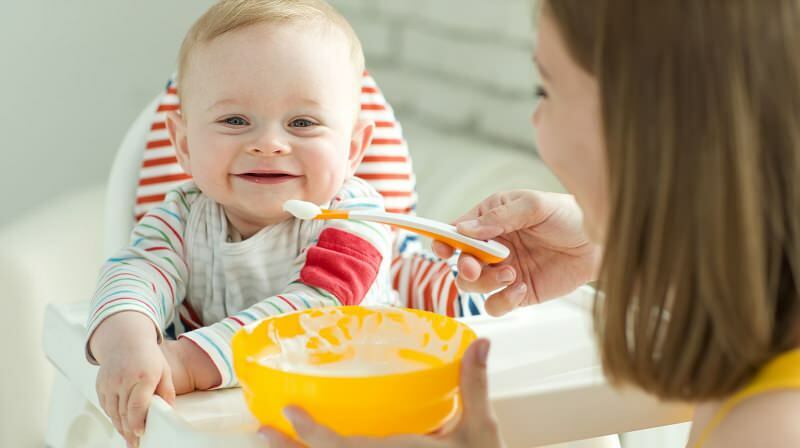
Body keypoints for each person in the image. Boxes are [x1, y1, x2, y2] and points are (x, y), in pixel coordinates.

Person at [260, 0, 800, 447]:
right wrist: (611, 242)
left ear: (643, 128)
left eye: (545, 90)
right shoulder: (757, 344)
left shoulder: (771, 424)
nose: (536, 122)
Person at [85, 0, 404, 446]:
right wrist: (126, 339)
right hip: (219, 420)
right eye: (235, 120)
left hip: (348, 415)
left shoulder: (356, 222)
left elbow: (315, 317)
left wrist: (187, 364)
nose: (269, 144)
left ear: (353, 149)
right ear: (183, 145)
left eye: (302, 122)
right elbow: (137, 270)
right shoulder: (182, 214)